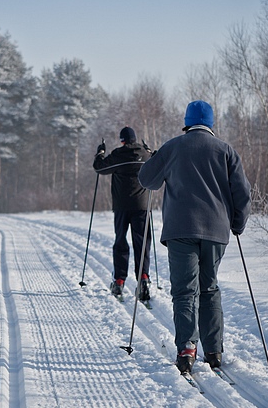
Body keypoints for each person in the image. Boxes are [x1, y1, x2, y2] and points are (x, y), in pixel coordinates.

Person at [138, 101, 251, 374]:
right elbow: (243, 193)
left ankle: (187, 348)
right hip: (216, 231)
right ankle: (214, 351)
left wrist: (156, 160)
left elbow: (146, 180)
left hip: (180, 229)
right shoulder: (226, 151)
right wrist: (236, 223)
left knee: (185, 290)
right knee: (209, 287)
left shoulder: (172, 147)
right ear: (211, 124)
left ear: (186, 122)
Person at [93, 126, 153, 304]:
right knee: (142, 243)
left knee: (120, 242)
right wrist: (149, 150)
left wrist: (100, 152)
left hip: (121, 207)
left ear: (122, 140)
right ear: (135, 139)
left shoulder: (118, 154)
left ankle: (119, 282)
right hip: (142, 207)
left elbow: (99, 168)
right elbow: (158, 160)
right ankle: (143, 280)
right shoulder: (144, 155)